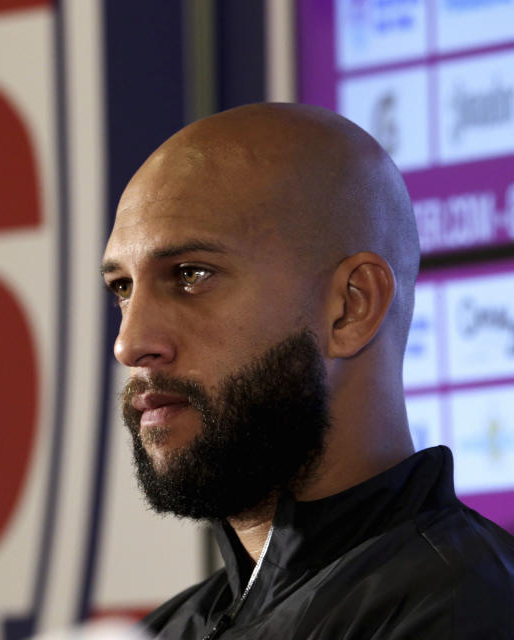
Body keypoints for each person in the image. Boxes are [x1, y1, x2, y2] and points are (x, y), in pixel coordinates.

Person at [101, 103, 514, 639]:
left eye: (191, 274)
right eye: (122, 288)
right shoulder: (167, 629)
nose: (129, 344)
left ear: (351, 306)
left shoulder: (470, 609)